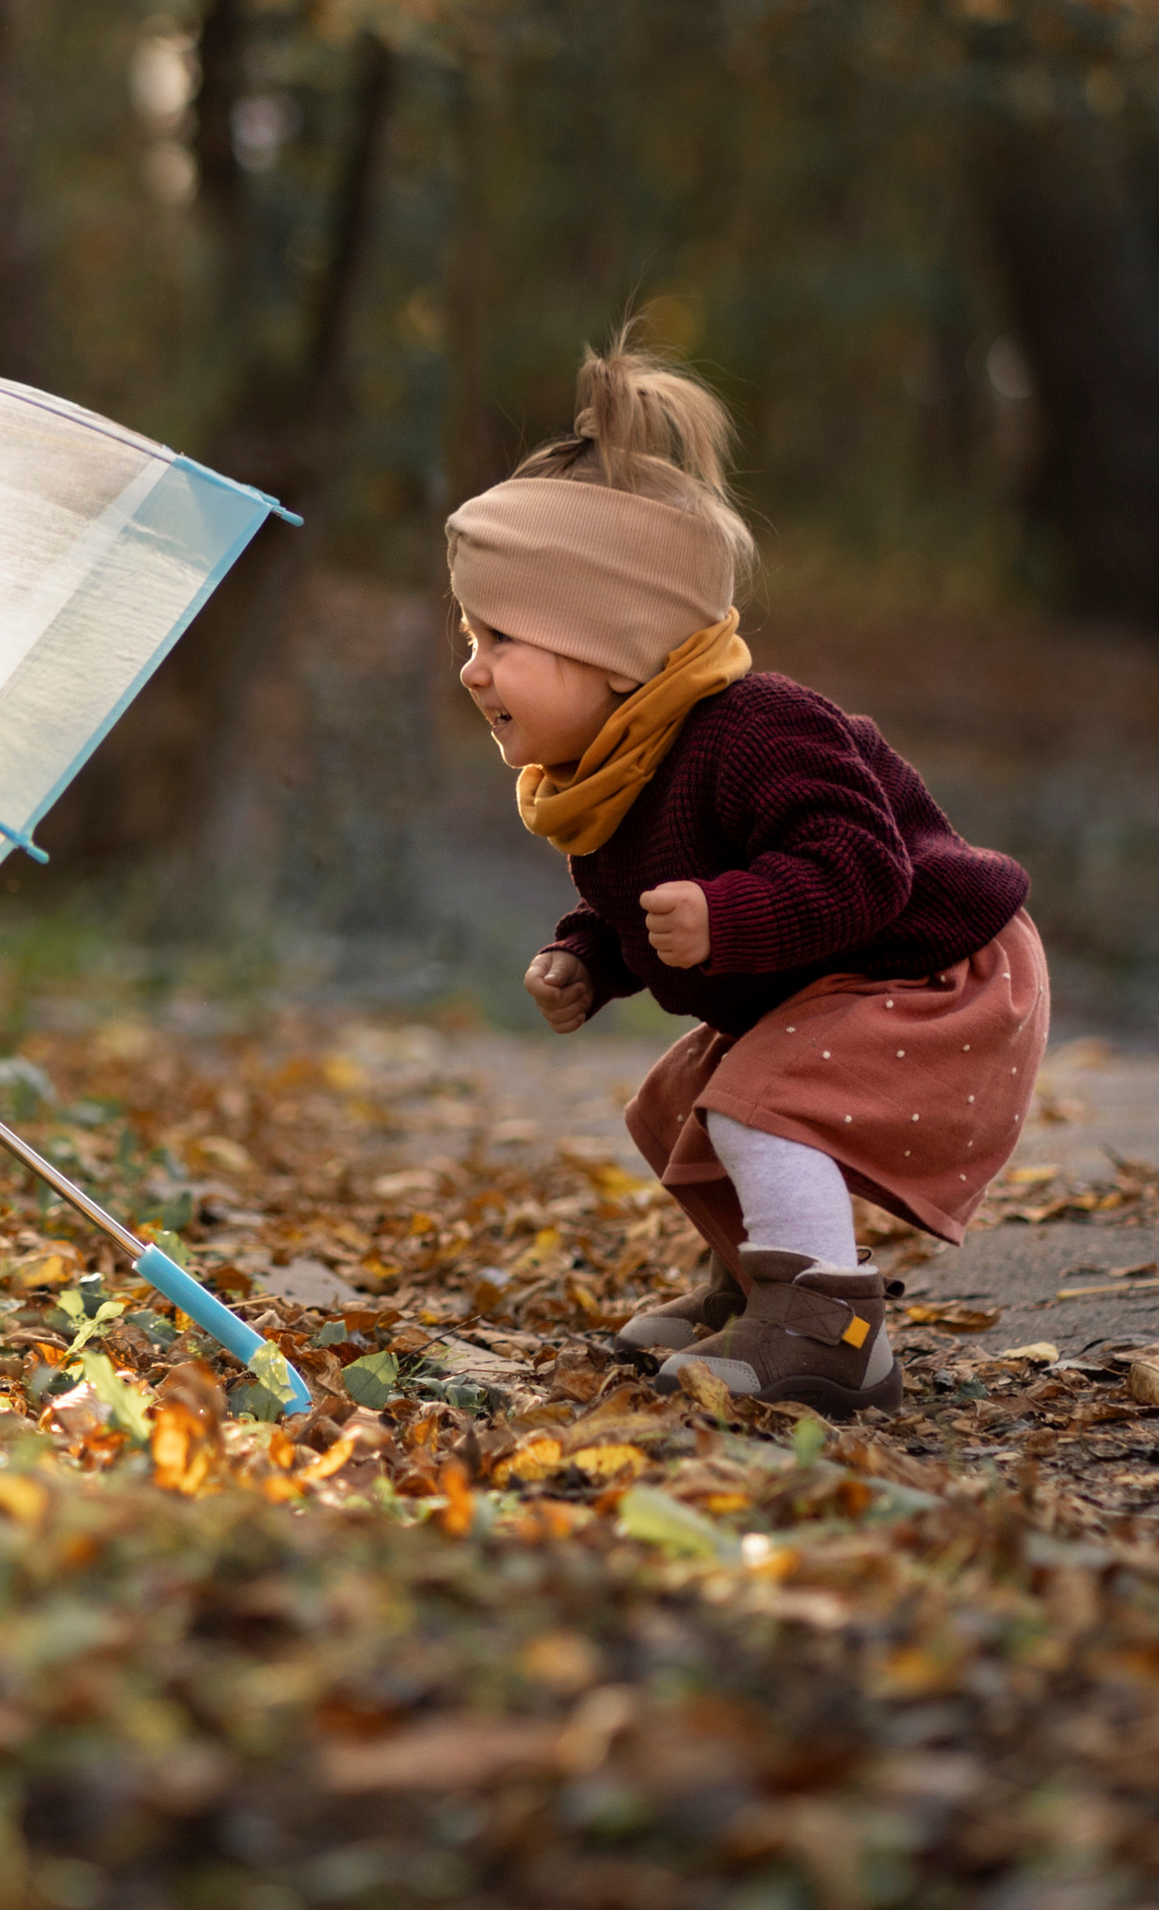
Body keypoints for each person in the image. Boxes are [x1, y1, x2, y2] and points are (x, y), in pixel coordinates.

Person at [447, 326, 1047, 1419]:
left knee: (761, 1099)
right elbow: (627, 902)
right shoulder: (611, 768)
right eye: (467, 635)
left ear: (612, 639)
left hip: (936, 962)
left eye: (497, 637)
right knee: (679, 1100)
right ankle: (749, 1291)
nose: (470, 668)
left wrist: (727, 916)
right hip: (834, 968)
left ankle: (831, 1336)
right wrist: (586, 957)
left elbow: (863, 868)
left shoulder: (758, 726)